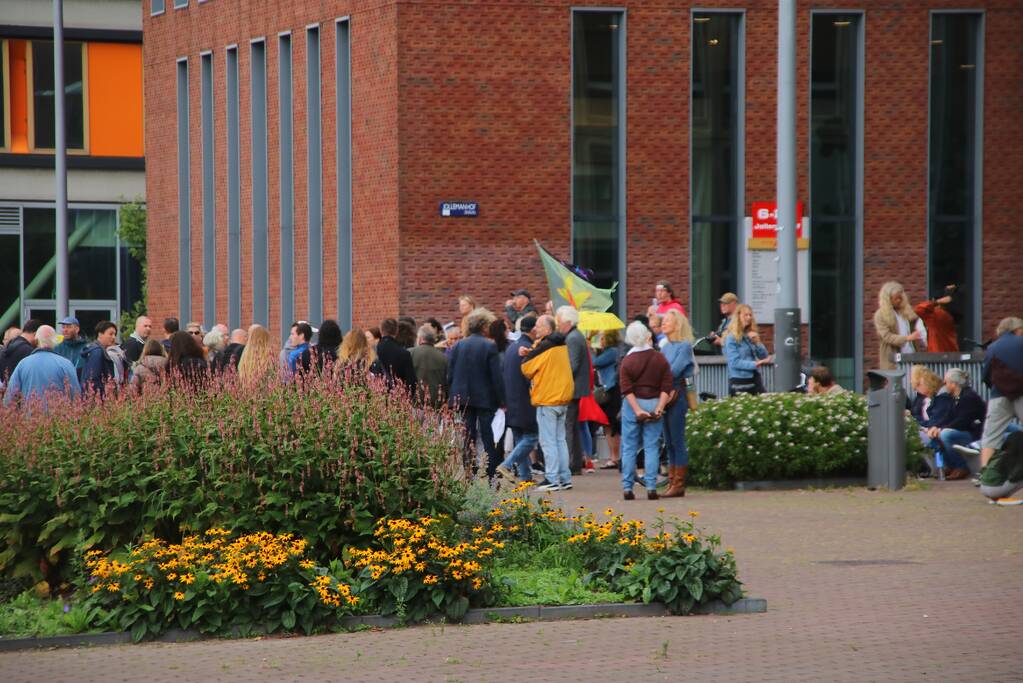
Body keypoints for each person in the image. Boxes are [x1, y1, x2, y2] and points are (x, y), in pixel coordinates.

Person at [447, 308, 505, 478]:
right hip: (484, 398)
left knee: (467, 435)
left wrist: (452, 394)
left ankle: (468, 471)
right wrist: (502, 400)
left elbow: (450, 374)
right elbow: (496, 377)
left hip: (462, 397)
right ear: (484, 326)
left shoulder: (458, 345)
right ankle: (490, 471)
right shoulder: (489, 346)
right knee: (487, 435)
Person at [618, 321, 673, 501]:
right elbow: (667, 385)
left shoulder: (627, 361)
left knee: (629, 447)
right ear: (647, 335)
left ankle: (627, 487)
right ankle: (651, 487)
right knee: (651, 446)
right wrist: (660, 407)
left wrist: (637, 409)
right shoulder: (660, 358)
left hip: (633, 404)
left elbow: (626, 389)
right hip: (654, 402)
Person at [520, 314, 575, 492]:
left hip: (547, 398)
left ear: (548, 329)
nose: (536, 328)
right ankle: (565, 477)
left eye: (539, 325)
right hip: (562, 397)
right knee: (560, 440)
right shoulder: (561, 343)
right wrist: (532, 350)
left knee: (548, 440)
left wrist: (528, 353)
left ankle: (551, 477)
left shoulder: (544, 345)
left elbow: (527, 367)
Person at [919, 368, 985, 480]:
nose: (944, 385)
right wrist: (935, 428)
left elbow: (962, 421)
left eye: (946, 382)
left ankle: (961, 466)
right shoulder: (955, 397)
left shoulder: (969, 397)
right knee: (935, 435)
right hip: (965, 430)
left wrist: (941, 429)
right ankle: (949, 465)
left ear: (953, 383)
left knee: (946, 434)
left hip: (975, 433)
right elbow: (948, 417)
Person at [496, 316, 540, 484]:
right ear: (533, 330)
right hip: (526, 401)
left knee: (520, 438)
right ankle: (506, 465)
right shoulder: (529, 349)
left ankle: (525, 476)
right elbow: (531, 378)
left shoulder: (511, 348)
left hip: (511, 400)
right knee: (531, 437)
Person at [977, 317, 1023, 469]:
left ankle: (985, 473)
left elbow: (985, 375)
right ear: (1016, 329)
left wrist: (997, 389)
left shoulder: (993, 347)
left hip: (999, 395)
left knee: (991, 436)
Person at [660, 309, 696, 497]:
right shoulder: (665, 346)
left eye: (667, 320)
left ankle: (679, 483)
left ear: (677, 325)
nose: (663, 323)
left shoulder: (684, 346)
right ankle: (673, 481)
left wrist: (658, 377)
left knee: (677, 440)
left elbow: (674, 370)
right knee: (668, 440)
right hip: (666, 395)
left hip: (677, 395)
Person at [3, 325, 81, 410]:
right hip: (58, 420)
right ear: (55, 341)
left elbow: (9, 398)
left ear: (36, 340)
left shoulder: (23, 364)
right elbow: (76, 396)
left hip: (30, 419)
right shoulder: (66, 364)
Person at [556, 306, 590, 474]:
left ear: (568, 322)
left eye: (560, 322)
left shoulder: (573, 338)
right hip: (576, 388)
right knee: (572, 426)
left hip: (572, 388)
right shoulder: (576, 336)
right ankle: (575, 462)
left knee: (569, 426)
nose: (558, 325)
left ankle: (571, 463)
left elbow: (572, 365)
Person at [873, 281, 926, 370]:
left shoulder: (906, 311)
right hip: (894, 359)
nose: (899, 301)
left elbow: (919, 321)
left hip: (911, 356)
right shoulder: (880, 315)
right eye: (895, 299)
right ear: (888, 299)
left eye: (900, 298)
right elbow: (887, 336)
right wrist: (907, 338)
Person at [593, 328, 625, 469]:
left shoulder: (611, 352)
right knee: (608, 426)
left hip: (611, 391)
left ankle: (615, 457)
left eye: (602, 338)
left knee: (612, 426)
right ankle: (614, 456)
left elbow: (595, 362)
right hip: (609, 390)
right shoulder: (611, 351)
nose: (600, 340)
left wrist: (589, 347)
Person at [723, 304, 771, 395]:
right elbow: (734, 362)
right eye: (746, 315)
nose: (749, 317)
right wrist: (755, 363)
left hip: (754, 378)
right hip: (739, 380)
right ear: (738, 316)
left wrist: (757, 342)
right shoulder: (731, 338)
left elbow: (764, 356)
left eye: (750, 315)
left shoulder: (749, 335)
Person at [81, 321, 126, 396]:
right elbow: (93, 378)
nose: (114, 337)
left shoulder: (97, 350)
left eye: (115, 334)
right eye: (110, 334)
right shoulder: (97, 352)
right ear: (100, 334)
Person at [410, 323, 448, 408]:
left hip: (414, 402)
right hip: (436, 404)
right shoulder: (443, 358)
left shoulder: (409, 353)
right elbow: (446, 382)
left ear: (420, 339)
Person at [978, 432, 1023, 502]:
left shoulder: (999, 454)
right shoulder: (1019, 457)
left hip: (983, 488)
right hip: (995, 490)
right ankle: (1001, 497)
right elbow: (1014, 477)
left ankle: (998, 498)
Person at [376, 318, 418, 391]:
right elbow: (411, 380)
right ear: (396, 331)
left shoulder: (374, 350)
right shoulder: (404, 353)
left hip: (378, 394)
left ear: (381, 330)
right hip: (399, 394)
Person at [914, 285, 958, 352]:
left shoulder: (936, 315)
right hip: (951, 352)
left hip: (937, 354)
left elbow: (918, 309)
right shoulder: (948, 315)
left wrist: (936, 302)